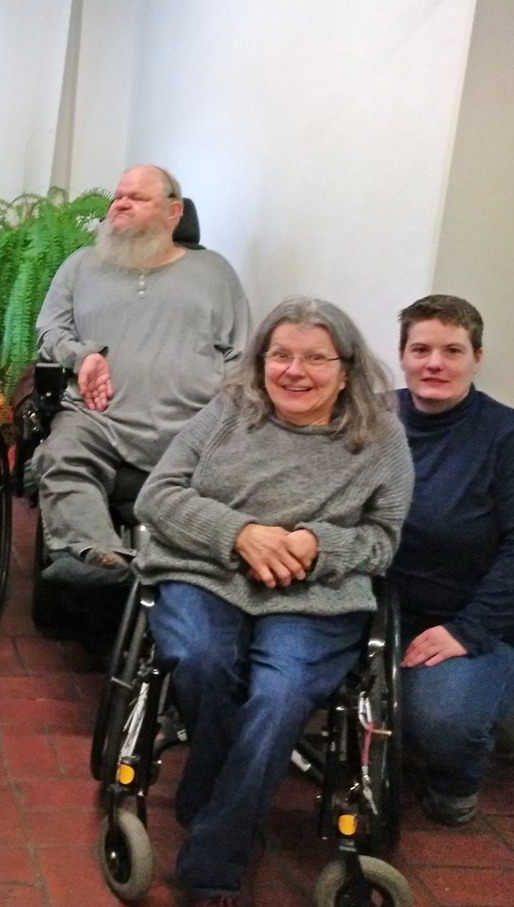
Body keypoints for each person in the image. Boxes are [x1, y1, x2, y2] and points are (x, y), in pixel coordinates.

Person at [134, 297, 414, 907]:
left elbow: (382, 539)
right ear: (260, 360)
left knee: (280, 693)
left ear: (346, 368)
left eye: (315, 358)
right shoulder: (230, 412)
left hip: (316, 593)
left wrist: (316, 544)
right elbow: (157, 496)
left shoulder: (381, 438)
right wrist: (239, 534)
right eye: (280, 355)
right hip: (206, 572)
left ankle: (212, 863)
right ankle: (218, 799)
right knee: (204, 659)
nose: (295, 371)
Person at [34, 165, 250, 585]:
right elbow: (49, 330)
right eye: (118, 196)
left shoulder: (215, 273)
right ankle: (101, 558)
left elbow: (241, 355)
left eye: (137, 197)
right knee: (60, 456)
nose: (120, 204)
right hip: (98, 421)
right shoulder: (80, 266)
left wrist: (225, 412)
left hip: (192, 426)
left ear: (174, 213)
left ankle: (187, 574)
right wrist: (83, 357)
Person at [387, 294, 514, 826]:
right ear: (402, 355)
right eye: (421, 349)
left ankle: (452, 785)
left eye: (452, 350)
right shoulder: (372, 416)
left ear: (477, 358)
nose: (434, 363)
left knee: (443, 721)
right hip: (367, 606)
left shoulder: (503, 436)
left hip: (464, 617)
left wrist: (468, 631)